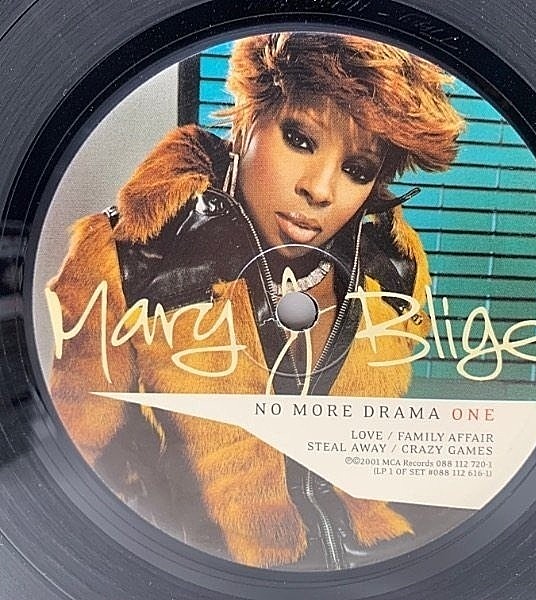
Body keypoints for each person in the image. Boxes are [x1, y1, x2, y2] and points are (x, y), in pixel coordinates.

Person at [47, 32, 464, 570]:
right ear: (248, 119)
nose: (320, 190)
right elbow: (80, 471)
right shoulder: (129, 260)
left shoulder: (391, 269)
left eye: (357, 170)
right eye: (300, 138)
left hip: (372, 568)